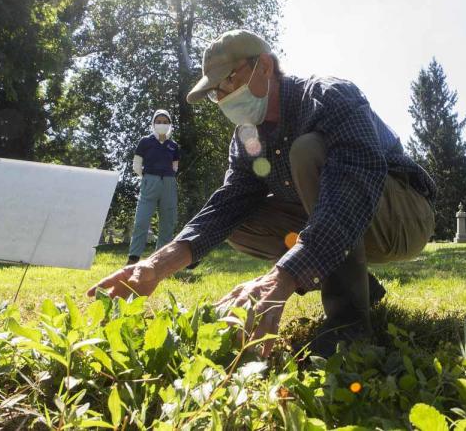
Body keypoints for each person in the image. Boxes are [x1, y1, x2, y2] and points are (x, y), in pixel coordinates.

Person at [90, 30, 435, 357]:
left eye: (228, 81)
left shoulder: (329, 97)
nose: (223, 97)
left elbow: (351, 191)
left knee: (308, 150)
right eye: (215, 92)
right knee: (238, 221)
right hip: (348, 227)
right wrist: (154, 266)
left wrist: (280, 279)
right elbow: (225, 208)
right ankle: (358, 285)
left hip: (402, 218)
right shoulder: (247, 139)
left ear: (265, 66)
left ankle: (350, 327)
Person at [126, 109, 180, 265]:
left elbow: (175, 166)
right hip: (150, 181)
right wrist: (147, 178)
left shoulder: (173, 145)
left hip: (168, 183)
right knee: (142, 220)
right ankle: (133, 257)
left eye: (165, 122)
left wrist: (167, 178)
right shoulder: (145, 141)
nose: (162, 124)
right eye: (159, 121)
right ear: (153, 123)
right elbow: (137, 164)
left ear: (169, 124)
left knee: (167, 222)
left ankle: (160, 260)